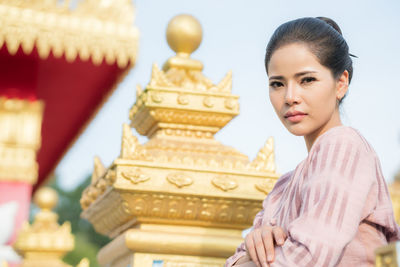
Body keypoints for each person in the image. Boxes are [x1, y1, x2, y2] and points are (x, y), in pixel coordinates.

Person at [225, 17, 400, 267]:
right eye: (277, 84)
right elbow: (234, 259)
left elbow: (305, 259)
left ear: (341, 83)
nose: (290, 97)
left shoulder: (344, 146)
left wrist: (258, 256)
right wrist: (255, 248)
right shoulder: (283, 187)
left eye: (306, 80)